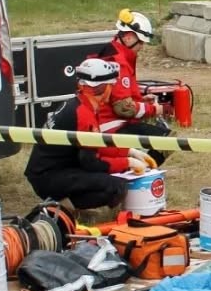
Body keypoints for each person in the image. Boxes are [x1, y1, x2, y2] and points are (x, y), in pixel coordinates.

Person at [24, 58, 155, 212]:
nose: (112, 89)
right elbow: (91, 162)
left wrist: (129, 152)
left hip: (46, 172)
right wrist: (127, 163)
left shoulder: (79, 104)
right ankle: (63, 208)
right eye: (111, 85)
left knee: (108, 177)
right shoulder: (84, 114)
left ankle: (65, 201)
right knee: (115, 187)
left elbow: (93, 146)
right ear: (103, 88)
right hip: (50, 177)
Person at [97, 8, 174, 164]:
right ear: (129, 37)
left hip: (106, 122)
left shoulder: (112, 52)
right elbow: (124, 108)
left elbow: (118, 95)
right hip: (110, 127)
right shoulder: (118, 62)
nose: (142, 48)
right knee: (167, 141)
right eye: (141, 43)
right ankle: (139, 173)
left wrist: (141, 101)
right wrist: (155, 109)